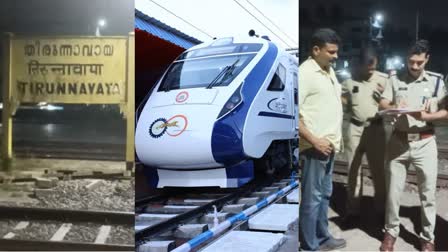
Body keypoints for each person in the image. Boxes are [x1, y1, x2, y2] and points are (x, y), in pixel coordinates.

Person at [376, 40, 446, 252]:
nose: (414, 67)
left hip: (425, 142)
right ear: (406, 58)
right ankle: (390, 233)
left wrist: (426, 115)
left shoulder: (436, 82)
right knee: (393, 193)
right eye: (411, 62)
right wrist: (394, 106)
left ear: (427, 59)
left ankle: (427, 238)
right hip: (398, 142)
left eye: (419, 62)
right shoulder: (395, 80)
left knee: (428, 194)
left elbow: (445, 111)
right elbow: (383, 103)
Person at [298, 28, 346, 251]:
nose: (336, 56)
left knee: (324, 195)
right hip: (314, 148)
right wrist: (314, 140)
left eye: (336, 52)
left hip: (330, 146)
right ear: (316, 50)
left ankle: (322, 236)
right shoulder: (305, 73)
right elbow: (292, 114)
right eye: (331, 52)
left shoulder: (327, 70)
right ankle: (309, 246)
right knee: (312, 199)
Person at [341, 46, 388, 224]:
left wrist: (386, 96)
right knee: (353, 170)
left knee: (379, 172)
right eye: (367, 68)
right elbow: (341, 101)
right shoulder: (349, 81)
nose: (370, 71)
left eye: (373, 68)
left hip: (376, 129)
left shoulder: (384, 80)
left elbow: (395, 102)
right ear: (359, 64)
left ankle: (381, 210)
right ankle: (353, 211)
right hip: (354, 128)